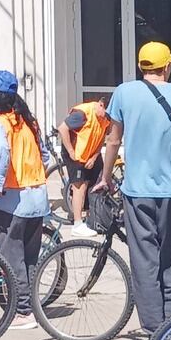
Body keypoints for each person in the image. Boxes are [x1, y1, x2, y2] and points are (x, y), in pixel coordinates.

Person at [99, 41, 171, 340]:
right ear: (167, 68)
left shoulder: (124, 93)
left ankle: (154, 335)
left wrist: (106, 177)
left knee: (145, 261)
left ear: (141, 66)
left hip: (137, 189)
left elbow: (113, 139)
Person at [0, 71, 50, 322]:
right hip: (37, 195)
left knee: (11, 258)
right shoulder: (27, 121)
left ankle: (23, 311)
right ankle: (32, 307)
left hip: (11, 199)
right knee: (29, 258)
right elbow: (45, 155)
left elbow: (1, 151)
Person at [56, 91, 112, 234]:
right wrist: (70, 151)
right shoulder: (83, 114)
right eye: (104, 112)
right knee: (79, 186)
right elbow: (62, 129)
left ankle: (92, 217)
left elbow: (101, 138)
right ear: (100, 104)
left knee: (94, 184)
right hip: (75, 153)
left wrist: (94, 156)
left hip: (91, 153)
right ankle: (77, 224)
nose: (105, 116)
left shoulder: (106, 118)